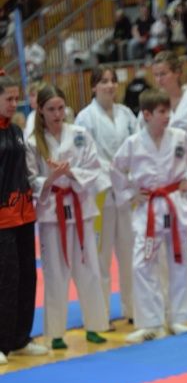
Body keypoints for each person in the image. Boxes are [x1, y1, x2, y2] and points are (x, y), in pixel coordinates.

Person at [110, 89, 187, 343]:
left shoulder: (179, 137)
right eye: (162, 112)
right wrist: (130, 193)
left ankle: (178, 318)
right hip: (149, 208)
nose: (168, 116)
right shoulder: (133, 143)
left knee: (179, 261)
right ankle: (151, 323)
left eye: (168, 111)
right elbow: (116, 169)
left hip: (174, 205)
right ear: (146, 114)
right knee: (142, 264)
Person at [25, 84, 109, 349]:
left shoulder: (80, 134)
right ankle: (56, 333)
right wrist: (51, 178)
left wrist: (70, 172)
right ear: (40, 110)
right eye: (51, 109)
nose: (57, 114)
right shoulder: (32, 142)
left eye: (61, 108)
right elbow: (31, 180)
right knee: (55, 273)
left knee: (89, 268)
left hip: (81, 208)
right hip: (52, 213)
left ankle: (95, 326)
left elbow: (94, 168)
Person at [75, 67, 138, 322]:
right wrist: (112, 175)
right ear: (93, 87)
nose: (110, 85)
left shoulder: (127, 114)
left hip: (126, 192)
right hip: (99, 193)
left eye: (112, 81)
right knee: (100, 257)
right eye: (103, 81)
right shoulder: (84, 118)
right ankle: (100, 315)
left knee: (129, 253)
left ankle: (133, 309)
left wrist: (125, 176)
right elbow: (85, 158)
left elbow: (137, 147)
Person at [150, 51, 187, 313]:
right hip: (162, 187)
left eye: (163, 73)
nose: (159, 79)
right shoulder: (154, 104)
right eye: (156, 75)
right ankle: (168, 301)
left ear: (176, 73)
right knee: (163, 248)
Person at [0, 74, 48, 366]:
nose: (13, 103)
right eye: (8, 98)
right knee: (5, 280)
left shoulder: (16, 131)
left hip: (24, 214)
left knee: (27, 277)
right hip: (2, 219)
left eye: (16, 98)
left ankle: (20, 338)